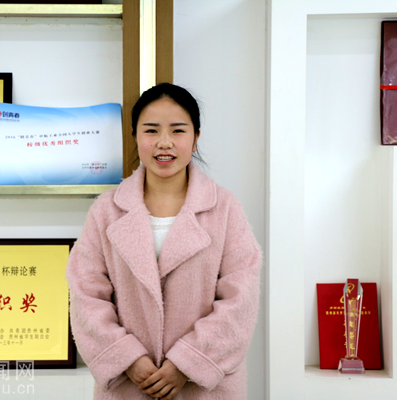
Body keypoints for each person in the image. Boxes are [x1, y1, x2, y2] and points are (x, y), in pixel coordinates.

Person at [66, 83, 262, 400]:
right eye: (151, 130)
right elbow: (86, 295)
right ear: (135, 136)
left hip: (204, 389)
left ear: (196, 138)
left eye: (178, 130)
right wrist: (127, 358)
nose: (164, 142)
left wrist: (187, 363)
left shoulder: (225, 208)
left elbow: (240, 300)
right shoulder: (106, 211)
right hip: (130, 385)